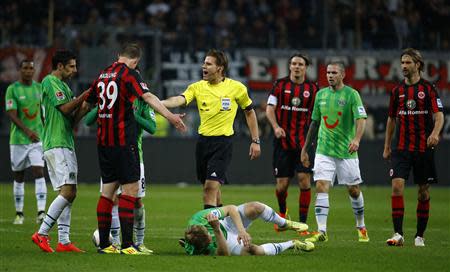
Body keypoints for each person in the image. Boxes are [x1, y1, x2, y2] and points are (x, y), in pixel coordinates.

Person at [77, 43, 186, 255]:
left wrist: (73, 122)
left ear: (119, 56)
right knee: (131, 191)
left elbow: (87, 104)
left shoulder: (103, 74)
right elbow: (149, 97)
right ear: (136, 61)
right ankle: (127, 246)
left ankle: (105, 246)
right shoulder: (129, 75)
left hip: (103, 143)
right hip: (123, 142)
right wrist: (171, 117)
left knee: (107, 192)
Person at [162, 49, 261, 209]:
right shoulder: (197, 87)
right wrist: (158, 103)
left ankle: (209, 230)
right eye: (204, 63)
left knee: (210, 187)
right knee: (211, 188)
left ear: (220, 68)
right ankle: (221, 225)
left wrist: (255, 141)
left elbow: (250, 113)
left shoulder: (236, 88)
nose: (203, 67)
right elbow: (178, 99)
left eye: (208, 64)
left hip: (223, 143)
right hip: (203, 143)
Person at [301, 61, 369, 243]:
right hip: (324, 150)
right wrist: (306, 148)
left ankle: (361, 225)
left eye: (334, 73)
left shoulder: (352, 95)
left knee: (354, 191)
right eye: (328, 72)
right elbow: (314, 123)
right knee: (321, 186)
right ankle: (321, 230)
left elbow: (361, 118)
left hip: (346, 151)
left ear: (343, 75)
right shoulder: (320, 95)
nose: (330, 75)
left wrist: (356, 139)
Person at [383, 48, 444, 247]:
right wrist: (386, 145)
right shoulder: (397, 91)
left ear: (417, 65)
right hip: (401, 147)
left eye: (408, 62)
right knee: (397, 187)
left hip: (423, 148)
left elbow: (439, 115)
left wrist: (435, 133)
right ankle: (398, 234)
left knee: (423, 192)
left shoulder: (428, 89)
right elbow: (391, 119)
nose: (403, 66)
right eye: (402, 62)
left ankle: (419, 236)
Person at [84, 89, 157, 254]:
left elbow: (152, 128)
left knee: (136, 201)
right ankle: (115, 242)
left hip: (134, 157)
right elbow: (88, 120)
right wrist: (101, 107)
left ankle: (140, 242)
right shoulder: (112, 99)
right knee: (113, 199)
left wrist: (133, 115)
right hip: (112, 154)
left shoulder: (144, 102)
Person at [32, 50, 89, 253]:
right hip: (57, 143)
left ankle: (64, 241)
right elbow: (65, 109)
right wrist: (83, 95)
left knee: (68, 192)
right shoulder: (49, 81)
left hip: (63, 140)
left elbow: (71, 120)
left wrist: (85, 107)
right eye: (71, 66)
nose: (75, 70)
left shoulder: (64, 86)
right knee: (68, 191)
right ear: (60, 66)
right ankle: (42, 233)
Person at [266, 53, 318, 232]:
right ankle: (282, 214)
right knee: (282, 186)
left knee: (304, 181)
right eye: (294, 63)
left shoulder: (313, 89)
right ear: (289, 66)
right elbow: (270, 108)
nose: (297, 66)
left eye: (301, 64)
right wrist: (275, 127)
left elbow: (316, 115)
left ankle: (302, 224)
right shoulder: (279, 85)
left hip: (304, 144)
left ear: (306, 67)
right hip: (282, 143)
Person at [184, 201, 314, 256]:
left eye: (208, 236)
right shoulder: (199, 249)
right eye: (208, 241)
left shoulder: (202, 217)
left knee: (255, 207)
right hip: (223, 237)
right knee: (252, 250)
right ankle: (292, 244)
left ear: (205, 229)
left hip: (226, 224)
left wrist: (241, 230)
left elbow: (231, 208)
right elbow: (224, 254)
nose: (209, 240)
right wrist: (217, 230)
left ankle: (284, 224)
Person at [5, 60, 47, 225]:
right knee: (19, 176)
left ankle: (41, 212)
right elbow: (11, 113)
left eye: (31, 68)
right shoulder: (12, 89)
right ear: (20, 70)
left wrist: (45, 131)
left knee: (39, 171)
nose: (29, 71)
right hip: (18, 141)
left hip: (37, 140)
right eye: (25, 68)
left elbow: (43, 114)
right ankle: (19, 213)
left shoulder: (39, 88)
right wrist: (27, 131)